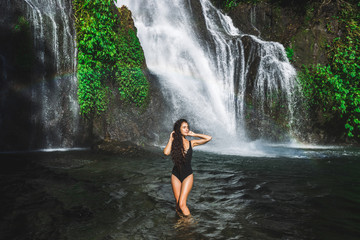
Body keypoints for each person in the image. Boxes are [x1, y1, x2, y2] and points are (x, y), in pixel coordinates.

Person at [163, 119, 212, 216]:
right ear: (179, 129)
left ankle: (190, 227)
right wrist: (171, 138)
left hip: (187, 175)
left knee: (182, 204)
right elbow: (166, 152)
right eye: (184, 127)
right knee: (178, 204)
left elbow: (208, 138)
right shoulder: (174, 143)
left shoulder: (191, 143)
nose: (186, 129)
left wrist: (194, 135)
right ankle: (180, 224)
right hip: (176, 174)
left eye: (187, 127)